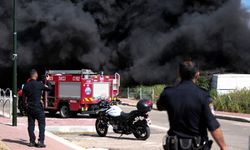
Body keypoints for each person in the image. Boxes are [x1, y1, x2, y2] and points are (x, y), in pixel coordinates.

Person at [157, 61, 227, 150]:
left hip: (175, 146)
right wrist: (223, 146)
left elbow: (160, 106)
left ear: (179, 74)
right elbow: (212, 125)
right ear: (197, 74)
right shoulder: (203, 95)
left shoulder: (168, 93)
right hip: (197, 146)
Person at [22, 69, 51, 148]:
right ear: (36, 76)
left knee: (31, 125)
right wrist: (47, 80)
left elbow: (23, 99)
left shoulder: (26, 85)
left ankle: (32, 141)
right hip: (39, 108)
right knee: (41, 125)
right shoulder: (39, 84)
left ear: (30, 76)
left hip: (30, 108)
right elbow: (49, 88)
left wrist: (25, 109)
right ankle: (40, 141)